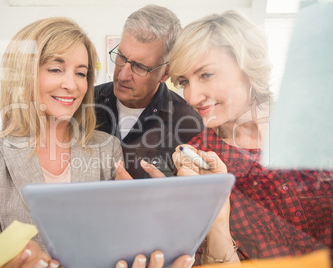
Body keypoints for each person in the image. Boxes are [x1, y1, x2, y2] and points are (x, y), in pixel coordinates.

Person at [0, 17, 123, 268]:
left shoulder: (107, 148)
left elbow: (116, 246)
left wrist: (134, 218)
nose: (72, 84)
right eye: (55, 69)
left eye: (81, 73)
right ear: (23, 75)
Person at [169, 10, 333, 263]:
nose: (191, 97)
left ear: (249, 65)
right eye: (184, 81)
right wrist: (215, 214)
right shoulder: (199, 163)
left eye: (206, 75)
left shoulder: (315, 127)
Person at [95, 4, 203, 179]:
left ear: (165, 73)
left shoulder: (189, 125)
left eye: (140, 67)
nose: (122, 75)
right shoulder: (85, 103)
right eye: (121, 57)